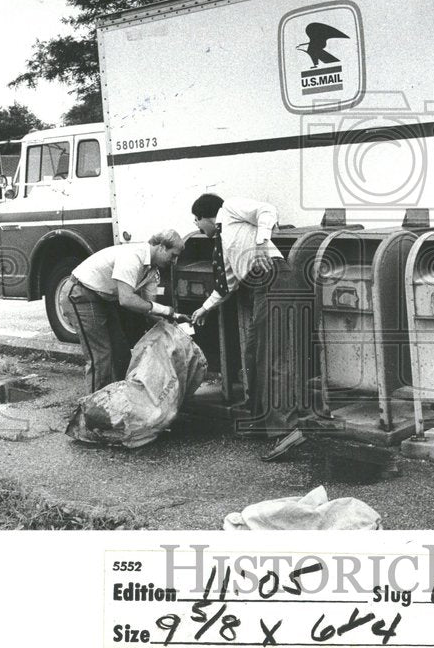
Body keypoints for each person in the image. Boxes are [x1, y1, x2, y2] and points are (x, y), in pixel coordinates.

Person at [190, 193, 304, 461]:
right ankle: (261, 420)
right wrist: (205, 308)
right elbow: (227, 283)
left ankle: (286, 430)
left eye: (196, 222)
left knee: (272, 356)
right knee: (252, 354)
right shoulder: (221, 240)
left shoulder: (229, 209)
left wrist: (263, 242)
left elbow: (267, 210)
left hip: (273, 277)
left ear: (204, 216)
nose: (197, 228)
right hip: (259, 287)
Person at [65, 229, 185, 393]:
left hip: (104, 297)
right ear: (162, 247)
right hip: (82, 293)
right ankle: (94, 410)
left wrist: (171, 321)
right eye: (173, 255)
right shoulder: (134, 256)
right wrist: (166, 311)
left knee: (120, 352)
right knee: (101, 356)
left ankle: (120, 400)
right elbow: (127, 299)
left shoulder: (152, 270)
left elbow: (148, 307)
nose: (174, 261)